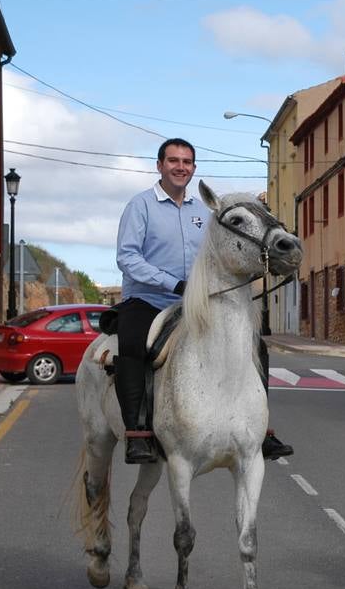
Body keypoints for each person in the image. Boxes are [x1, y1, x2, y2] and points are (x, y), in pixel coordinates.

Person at [114, 137, 292, 464]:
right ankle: (136, 432)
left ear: (193, 169)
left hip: (198, 302)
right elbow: (127, 258)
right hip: (149, 300)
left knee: (257, 347)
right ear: (160, 166)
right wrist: (173, 283)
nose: (180, 167)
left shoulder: (205, 212)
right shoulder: (140, 206)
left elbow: (219, 255)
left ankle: (260, 431)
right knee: (132, 343)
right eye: (173, 161)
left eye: (187, 162)